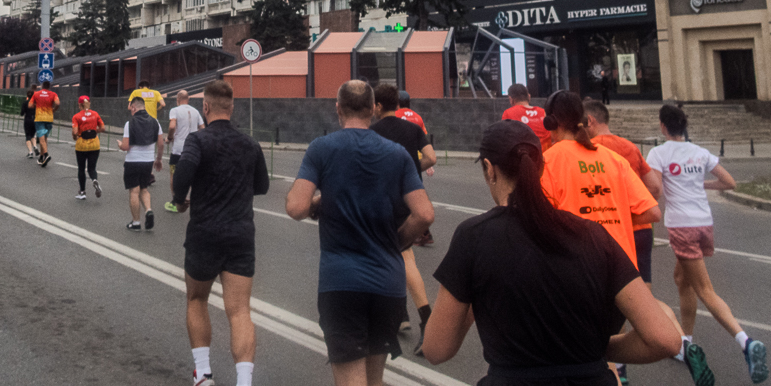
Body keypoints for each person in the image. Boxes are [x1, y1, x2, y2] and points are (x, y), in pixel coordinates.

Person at [421, 120, 682, 384]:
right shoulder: (594, 235)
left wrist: (475, 295)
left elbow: (436, 349)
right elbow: (666, 339)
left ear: (489, 169)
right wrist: (596, 349)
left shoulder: (473, 237)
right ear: (542, 167)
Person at [286, 80, 433, 386]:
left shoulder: (322, 148)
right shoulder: (397, 154)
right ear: (371, 109)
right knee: (374, 378)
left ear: (337, 108)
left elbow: (296, 208)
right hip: (388, 285)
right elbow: (424, 214)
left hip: (341, 283)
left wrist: (318, 201)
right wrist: (397, 242)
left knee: (351, 378)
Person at [647, 103, 768, 385]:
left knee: (705, 290)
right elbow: (729, 182)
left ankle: (746, 342)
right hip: (704, 224)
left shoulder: (658, 153)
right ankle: (685, 343)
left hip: (682, 226)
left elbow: (656, 190)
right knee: (682, 279)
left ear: (663, 126)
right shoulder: (699, 152)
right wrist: (701, 185)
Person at [172, 81, 269, 386]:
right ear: (232, 107)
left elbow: (183, 177)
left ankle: (203, 374)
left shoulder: (198, 141)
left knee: (197, 299)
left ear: (206, 107)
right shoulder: (250, 144)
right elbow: (263, 187)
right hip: (241, 235)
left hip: (204, 233)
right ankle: (244, 381)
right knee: (240, 310)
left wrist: (179, 200)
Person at [584, 98, 663, 386]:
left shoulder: (591, 151)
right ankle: (633, 359)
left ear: (590, 122)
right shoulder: (629, 147)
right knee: (642, 299)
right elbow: (654, 187)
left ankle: (612, 362)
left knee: (607, 301)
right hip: (643, 230)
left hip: (612, 231)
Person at [539, 90, 659, 271]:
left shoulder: (547, 162)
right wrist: (612, 219)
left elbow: (539, 221)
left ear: (551, 123)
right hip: (623, 269)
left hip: (578, 267)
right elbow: (653, 213)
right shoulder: (614, 159)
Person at [370, 83, 436, 351]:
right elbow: (431, 157)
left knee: (395, 258)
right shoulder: (412, 128)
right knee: (401, 255)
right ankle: (401, 315)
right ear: (397, 104)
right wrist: (410, 170)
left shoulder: (372, 132)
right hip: (410, 198)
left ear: (376, 106)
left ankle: (424, 320)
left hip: (382, 201)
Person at [119, 97, 164, 231]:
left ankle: (136, 222)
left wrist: (120, 145)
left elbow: (126, 146)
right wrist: (159, 159)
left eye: (130, 109)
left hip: (133, 161)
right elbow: (161, 144)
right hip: (148, 161)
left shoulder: (130, 123)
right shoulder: (155, 122)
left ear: (134, 108)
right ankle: (148, 210)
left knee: (134, 191)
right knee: (144, 188)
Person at [164, 89, 205, 213]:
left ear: (178, 99)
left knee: (174, 174)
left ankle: (175, 201)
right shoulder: (195, 111)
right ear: (188, 99)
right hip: (193, 149)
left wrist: (170, 137)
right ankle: (197, 201)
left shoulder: (175, 110)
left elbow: (172, 126)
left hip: (178, 149)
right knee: (194, 175)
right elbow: (202, 128)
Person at [71, 95, 106, 200]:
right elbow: (103, 128)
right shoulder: (95, 114)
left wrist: (75, 137)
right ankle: (94, 180)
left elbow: (75, 132)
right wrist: (95, 131)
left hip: (82, 145)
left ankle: (82, 192)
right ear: (89, 103)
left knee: (81, 169)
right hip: (95, 144)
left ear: (79, 104)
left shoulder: (76, 116)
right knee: (92, 168)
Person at [501, 83, 551, 150]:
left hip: (522, 158)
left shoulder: (508, 113)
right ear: (529, 96)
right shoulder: (544, 112)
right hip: (545, 156)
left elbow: (505, 140)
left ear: (511, 99)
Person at [28, 84, 59, 167]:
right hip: (49, 118)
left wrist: (37, 105)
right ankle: (41, 157)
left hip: (40, 118)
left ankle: (46, 154)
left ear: (42, 86)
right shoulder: (53, 94)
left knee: (41, 139)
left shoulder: (36, 94)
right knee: (45, 139)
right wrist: (54, 110)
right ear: (49, 87)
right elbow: (58, 103)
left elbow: (30, 105)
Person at [20, 87, 38, 160]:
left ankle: (30, 152)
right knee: (33, 135)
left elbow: (21, 113)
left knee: (28, 135)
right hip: (34, 119)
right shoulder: (36, 103)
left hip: (27, 119)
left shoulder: (25, 103)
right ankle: (35, 146)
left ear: (27, 95)